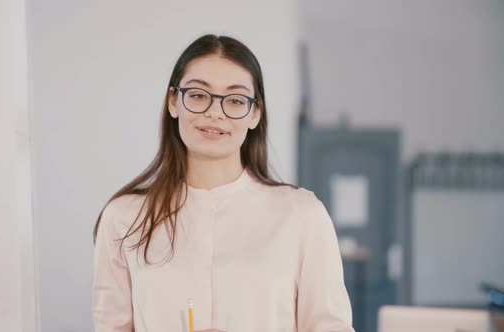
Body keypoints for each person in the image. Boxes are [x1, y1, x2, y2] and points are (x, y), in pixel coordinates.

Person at [92, 34, 354, 332]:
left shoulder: (302, 215)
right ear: (173, 102)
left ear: (255, 114)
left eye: (235, 100)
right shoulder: (124, 218)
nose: (214, 112)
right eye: (198, 95)